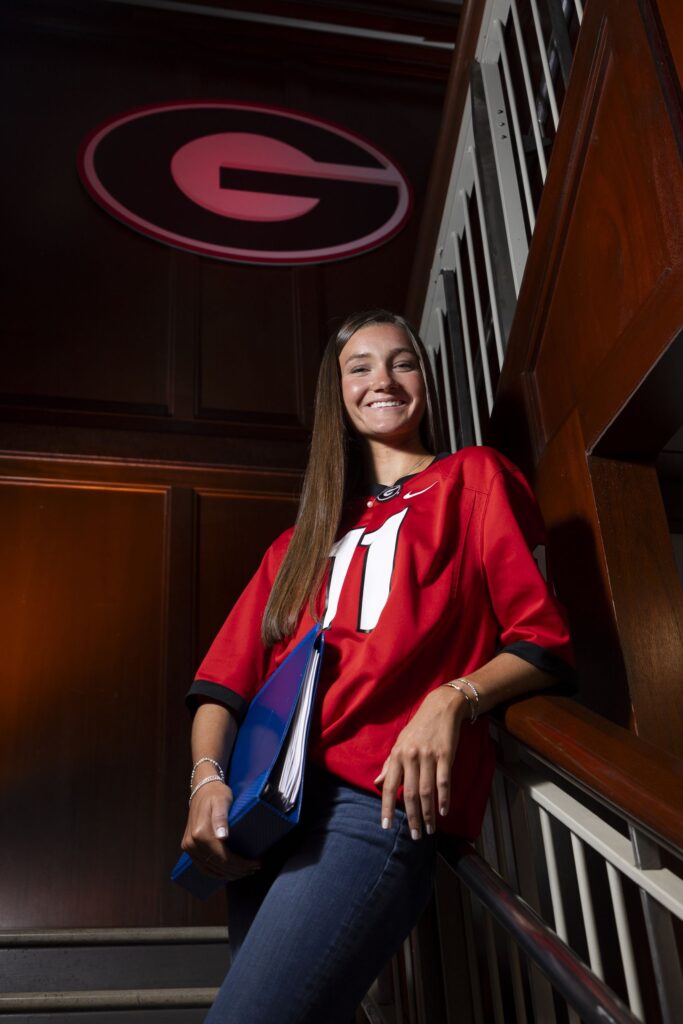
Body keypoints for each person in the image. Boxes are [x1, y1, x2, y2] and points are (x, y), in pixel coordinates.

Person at [181, 309, 574, 1023]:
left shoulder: (473, 480)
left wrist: (451, 699)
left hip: (371, 807)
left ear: (424, 381)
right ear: (337, 396)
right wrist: (204, 780)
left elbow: (540, 641)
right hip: (267, 818)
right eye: (359, 367)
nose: (382, 380)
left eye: (402, 362)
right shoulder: (300, 543)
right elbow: (223, 685)